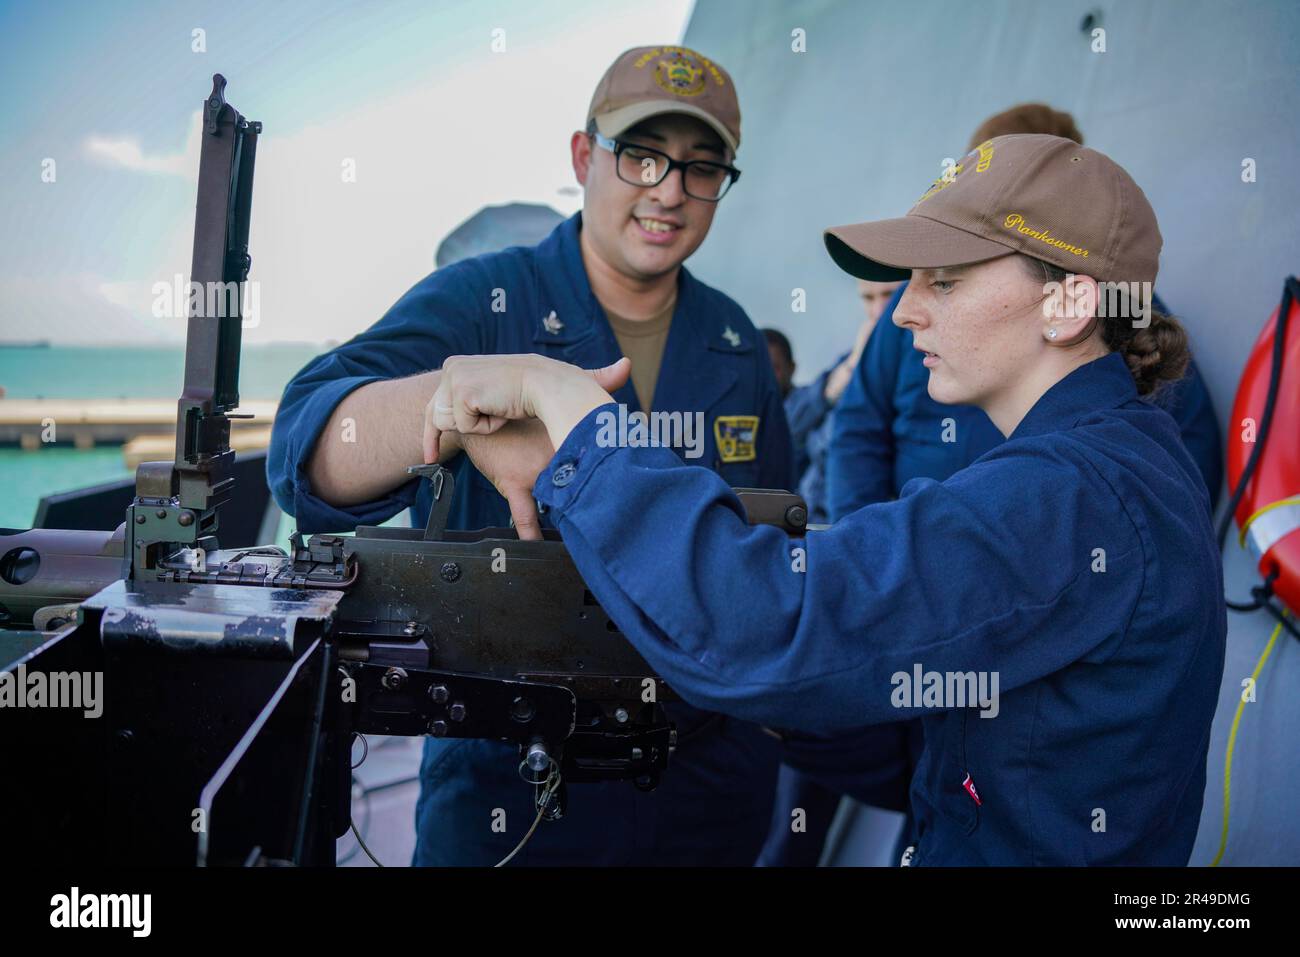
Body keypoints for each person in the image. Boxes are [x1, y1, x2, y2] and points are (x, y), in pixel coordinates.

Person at [424, 134, 1227, 865]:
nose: (907, 310)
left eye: (944, 281)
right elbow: (955, 730)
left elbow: (764, 620)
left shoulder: (1072, 494)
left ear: (1070, 304)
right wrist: (795, 702)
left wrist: (569, 411)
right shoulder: (1128, 460)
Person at [267, 45, 793, 866]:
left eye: (701, 167)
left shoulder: (735, 341)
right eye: (642, 155)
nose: (669, 191)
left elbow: (767, 546)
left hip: (702, 787)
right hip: (510, 790)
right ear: (585, 157)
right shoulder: (481, 301)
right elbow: (305, 446)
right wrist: (451, 405)